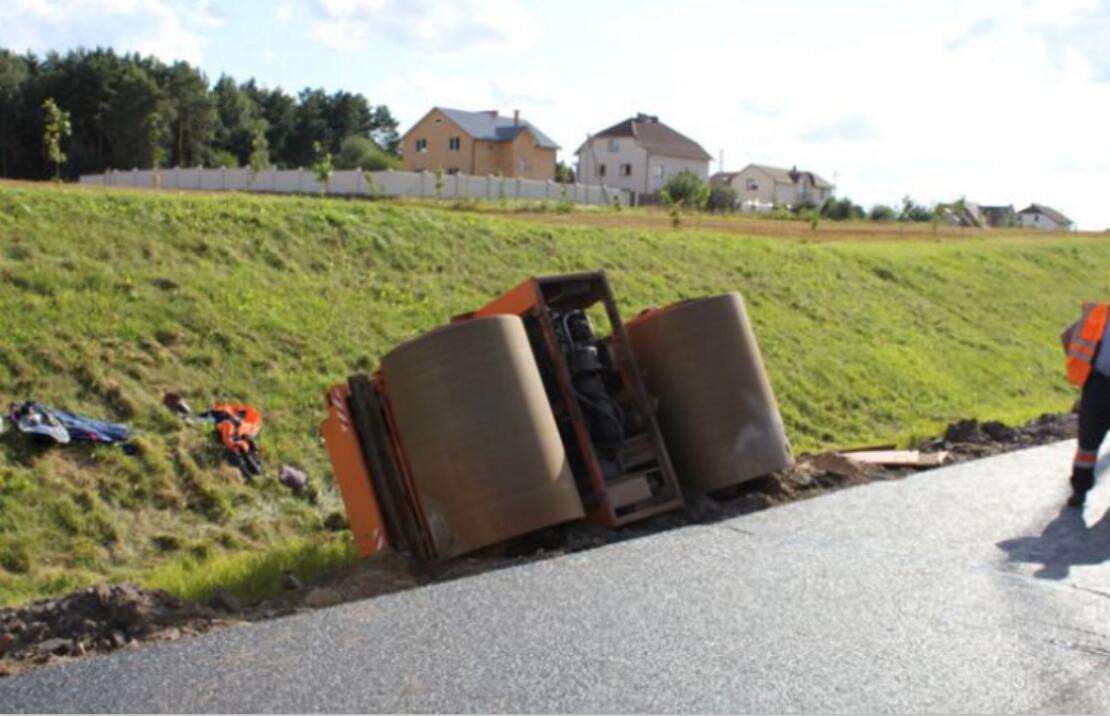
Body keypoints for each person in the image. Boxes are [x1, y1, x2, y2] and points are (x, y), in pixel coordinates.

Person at [1062, 301, 1110, 506]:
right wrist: (1081, 366)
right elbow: (1067, 336)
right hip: (1099, 383)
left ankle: (1080, 489)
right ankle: (1080, 489)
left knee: (1088, 441)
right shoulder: (1099, 314)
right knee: (1088, 443)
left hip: (1098, 384)